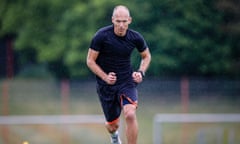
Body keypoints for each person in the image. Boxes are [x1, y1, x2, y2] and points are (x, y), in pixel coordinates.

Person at [86, 5, 151, 144]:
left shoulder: (135, 37)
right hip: (106, 86)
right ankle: (114, 137)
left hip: (127, 81)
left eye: (124, 21)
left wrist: (141, 72)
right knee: (112, 125)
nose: (121, 25)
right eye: (118, 21)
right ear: (112, 20)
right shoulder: (101, 36)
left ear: (130, 20)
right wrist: (105, 77)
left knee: (130, 114)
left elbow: (146, 56)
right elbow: (90, 61)